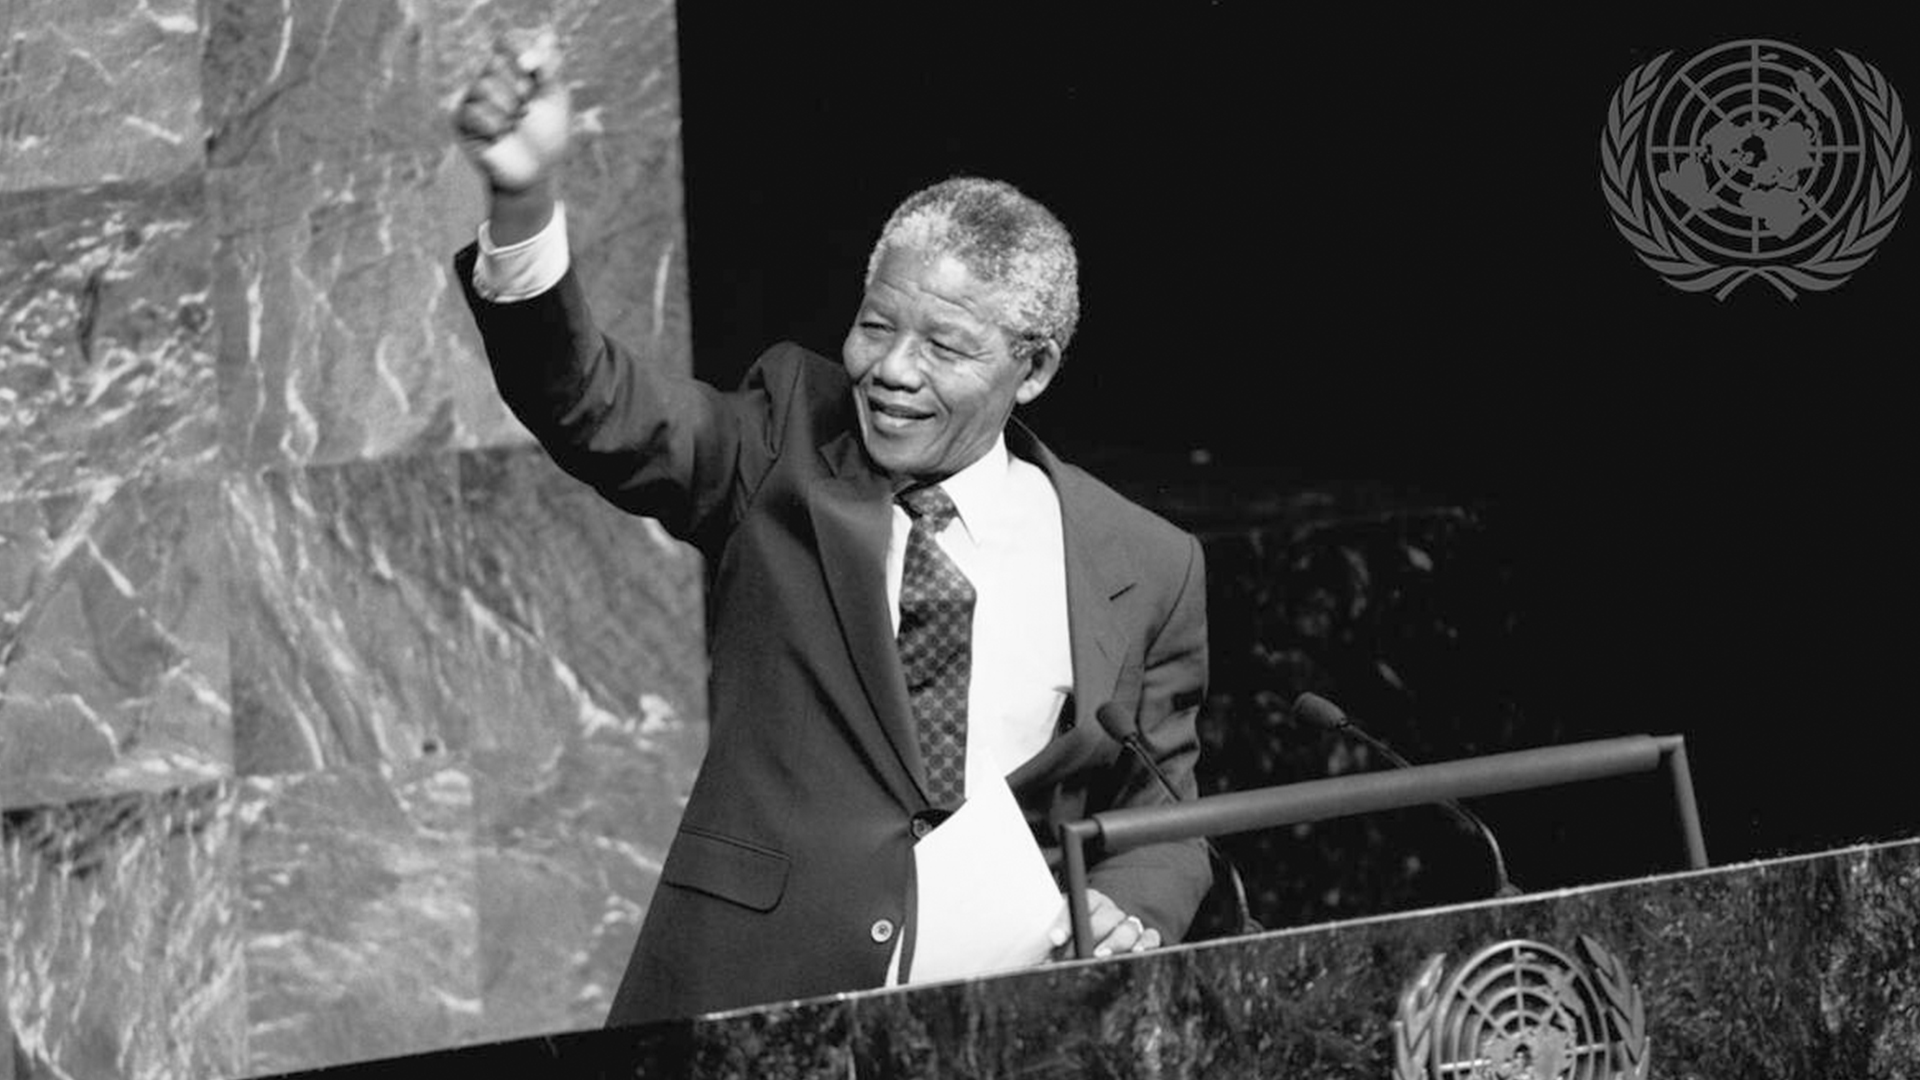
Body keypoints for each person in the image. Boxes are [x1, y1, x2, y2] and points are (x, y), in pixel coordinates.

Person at [451, 31, 1212, 1026]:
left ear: (1032, 370)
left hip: (1003, 1024)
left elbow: (1169, 818)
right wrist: (524, 202)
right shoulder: (780, 441)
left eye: (944, 345)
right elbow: (594, 402)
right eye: (876, 324)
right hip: (754, 1004)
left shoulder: (1142, 563)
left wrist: (1133, 911)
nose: (893, 369)